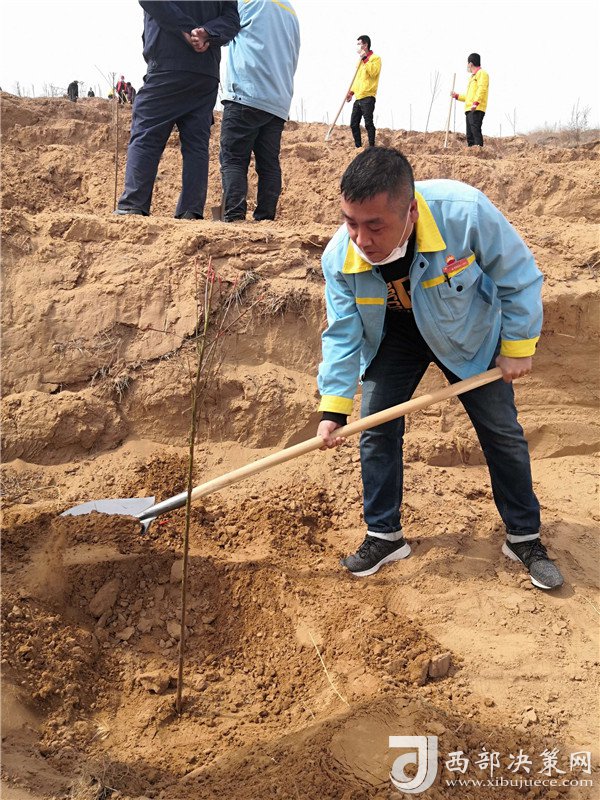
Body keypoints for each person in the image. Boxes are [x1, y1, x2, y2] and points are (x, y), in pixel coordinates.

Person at [316, 147, 563, 591]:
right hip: (394, 337)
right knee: (375, 428)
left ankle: (524, 537)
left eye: (375, 226)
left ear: (410, 211)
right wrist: (333, 407)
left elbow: (519, 276)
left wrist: (518, 346)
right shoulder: (340, 256)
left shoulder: (464, 212)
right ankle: (384, 535)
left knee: (501, 430)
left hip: (465, 331)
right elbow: (342, 333)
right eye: (351, 222)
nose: (361, 239)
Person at [115, 1, 240, 220]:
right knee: (196, 143)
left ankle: (132, 205)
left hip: (168, 61)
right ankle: (190, 211)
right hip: (205, 72)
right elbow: (231, 19)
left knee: (147, 133)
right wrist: (206, 33)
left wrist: (187, 29)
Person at [218, 0, 300, 223]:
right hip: (277, 99)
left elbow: (224, 30)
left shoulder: (247, 1)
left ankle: (234, 217)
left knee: (234, 158)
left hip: (246, 91)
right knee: (269, 163)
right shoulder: (290, 11)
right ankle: (265, 218)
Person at [346, 35, 381, 148]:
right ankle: (358, 147)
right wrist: (351, 92)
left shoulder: (375, 58)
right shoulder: (360, 61)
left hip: (368, 96)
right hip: (359, 96)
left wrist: (365, 58)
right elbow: (358, 79)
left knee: (368, 123)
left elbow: (373, 72)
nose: (357, 46)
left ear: (365, 45)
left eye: (359, 44)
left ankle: (371, 147)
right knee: (353, 124)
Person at [452, 53, 489, 147]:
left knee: (475, 132)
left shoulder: (482, 74)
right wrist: (457, 96)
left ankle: (479, 151)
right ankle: (471, 153)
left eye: (467, 63)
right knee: (470, 135)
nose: (467, 66)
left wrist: (476, 103)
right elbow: (469, 96)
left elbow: (482, 89)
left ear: (470, 63)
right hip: (469, 109)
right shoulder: (472, 77)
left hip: (477, 108)